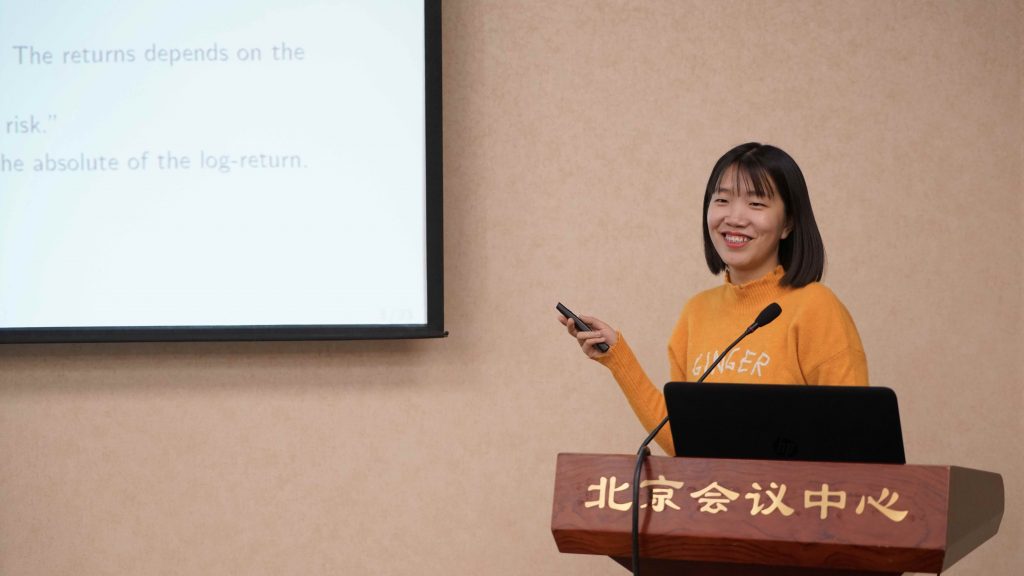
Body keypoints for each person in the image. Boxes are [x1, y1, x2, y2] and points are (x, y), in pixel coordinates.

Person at [558, 143, 868, 455]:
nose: (734, 217)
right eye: (722, 200)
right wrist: (617, 356)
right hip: (716, 489)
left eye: (756, 203)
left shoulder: (817, 307)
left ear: (788, 223)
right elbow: (684, 441)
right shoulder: (696, 313)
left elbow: (854, 437)